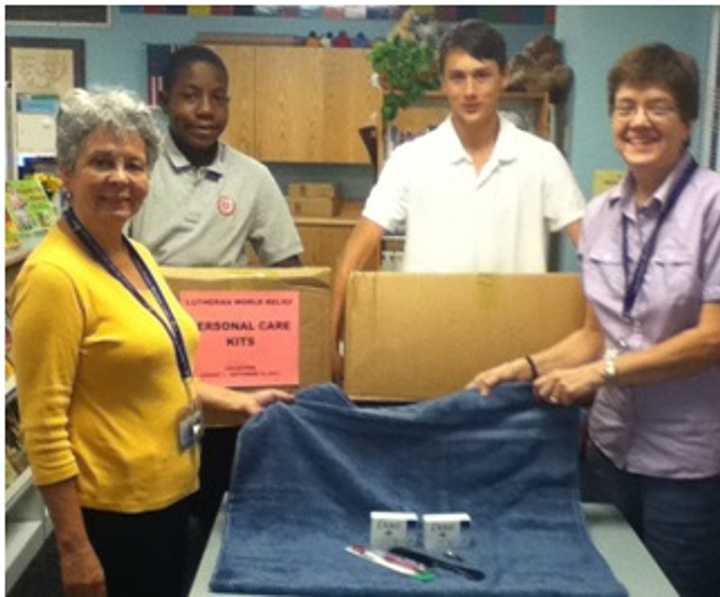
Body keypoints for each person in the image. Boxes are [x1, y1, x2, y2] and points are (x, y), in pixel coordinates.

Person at [10, 88, 293, 597]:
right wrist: (74, 550)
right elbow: (43, 427)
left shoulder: (132, 252)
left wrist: (237, 399)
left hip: (167, 496)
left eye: (134, 165)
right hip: (113, 516)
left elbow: (162, 369)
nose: (121, 179)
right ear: (68, 173)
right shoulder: (54, 276)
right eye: (102, 162)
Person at [467, 43, 720, 597]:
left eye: (658, 107)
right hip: (606, 454)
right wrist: (526, 365)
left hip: (686, 469)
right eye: (626, 107)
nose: (639, 122)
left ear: (688, 122)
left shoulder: (713, 208)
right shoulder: (600, 217)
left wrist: (603, 374)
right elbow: (593, 335)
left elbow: (712, 338)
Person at [330, 19, 585, 377]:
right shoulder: (410, 159)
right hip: (427, 356)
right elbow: (352, 257)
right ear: (442, 82)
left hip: (516, 364)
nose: (469, 90)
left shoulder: (542, 159)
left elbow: (593, 252)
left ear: (504, 77)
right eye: (457, 77)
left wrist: (594, 335)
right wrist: (333, 347)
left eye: (481, 75)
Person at [129, 44, 302, 268]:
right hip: (148, 299)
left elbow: (287, 265)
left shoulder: (254, 177)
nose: (206, 110)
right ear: (164, 102)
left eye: (218, 98)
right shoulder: (137, 169)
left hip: (225, 301)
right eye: (190, 97)